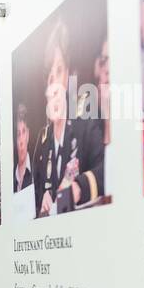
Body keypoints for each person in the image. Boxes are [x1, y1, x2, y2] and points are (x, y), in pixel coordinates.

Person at [33, 20, 105, 217]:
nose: (54, 81)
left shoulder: (85, 122)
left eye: (59, 71)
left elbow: (106, 167)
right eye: (50, 75)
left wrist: (80, 187)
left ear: (68, 76)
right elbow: (38, 191)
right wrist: (43, 200)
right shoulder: (42, 141)